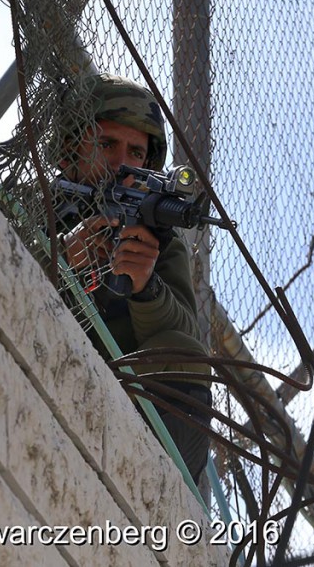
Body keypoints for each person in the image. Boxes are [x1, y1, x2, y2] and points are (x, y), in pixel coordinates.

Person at [53, 72, 212, 484]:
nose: (123, 163)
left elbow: (184, 343)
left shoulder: (161, 242)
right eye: (107, 144)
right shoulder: (33, 204)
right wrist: (58, 258)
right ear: (70, 150)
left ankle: (155, 487)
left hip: (115, 408)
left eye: (136, 153)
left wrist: (146, 287)